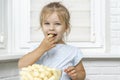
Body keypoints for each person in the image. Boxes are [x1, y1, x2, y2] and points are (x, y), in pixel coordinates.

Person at [18, 2, 86, 80]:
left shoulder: (73, 51)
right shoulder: (36, 49)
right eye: (47, 23)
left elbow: (82, 73)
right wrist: (41, 49)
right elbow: (21, 65)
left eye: (57, 24)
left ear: (66, 27)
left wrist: (76, 75)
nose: (51, 28)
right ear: (42, 26)